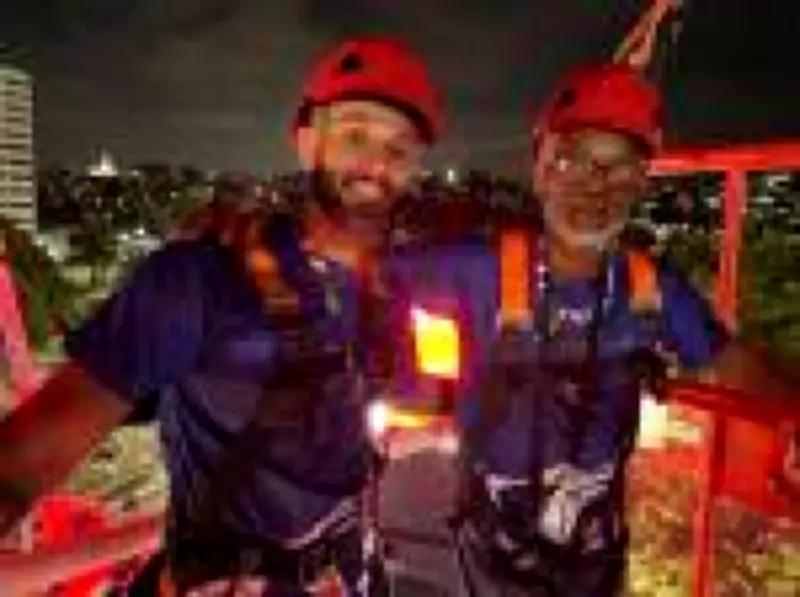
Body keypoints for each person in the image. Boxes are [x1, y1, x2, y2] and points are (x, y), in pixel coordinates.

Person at [0, 36, 443, 596]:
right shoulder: (198, 282)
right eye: (356, 134)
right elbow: (25, 462)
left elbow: (346, 441)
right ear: (307, 141)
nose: (378, 165)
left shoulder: (382, 295)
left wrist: (442, 429)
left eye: (400, 149)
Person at [387, 62, 800, 596]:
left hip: (595, 546)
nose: (595, 187)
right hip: (495, 541)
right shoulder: (476, 268)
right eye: (572, 161)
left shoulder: (651, 290)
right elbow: (357, 271)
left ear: (640, 183)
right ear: (541, 172)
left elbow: (730, 360)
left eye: (619, 169)